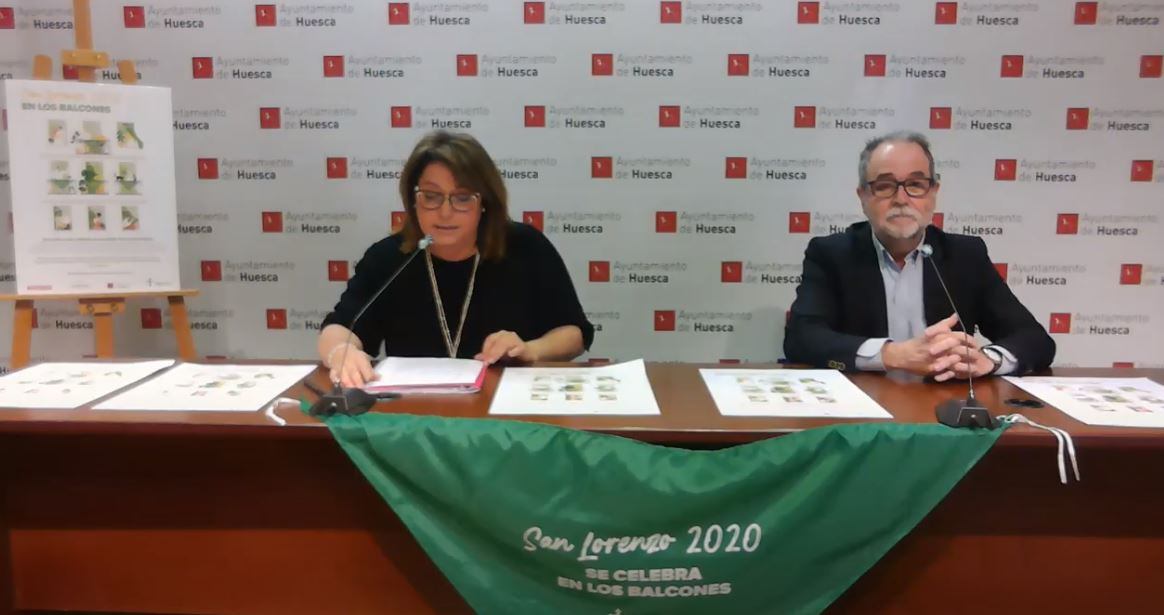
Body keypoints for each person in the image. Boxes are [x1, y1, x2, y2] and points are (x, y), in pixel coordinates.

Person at [318, 131, 594, 387]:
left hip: (507, 406)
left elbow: (574, 333)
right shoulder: (390, 258)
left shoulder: (525, 247)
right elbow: (340, 327)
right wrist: (341, 352)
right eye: (431, 196)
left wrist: (530, 350)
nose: (445, 212)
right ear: (413, 200)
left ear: (484, 202)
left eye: (462, 198)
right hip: (414, 410)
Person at [783, 131, 1055, 380]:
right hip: (864, 408)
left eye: (915, 184)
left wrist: (988, 360)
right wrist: (891, 355)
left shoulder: (965, 255)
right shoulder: (832, 254)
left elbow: (1034, 339)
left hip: (943, 406)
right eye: (884, 186)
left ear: (934, 192)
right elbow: (802, 338)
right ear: (863, 196)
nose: (901, 199)